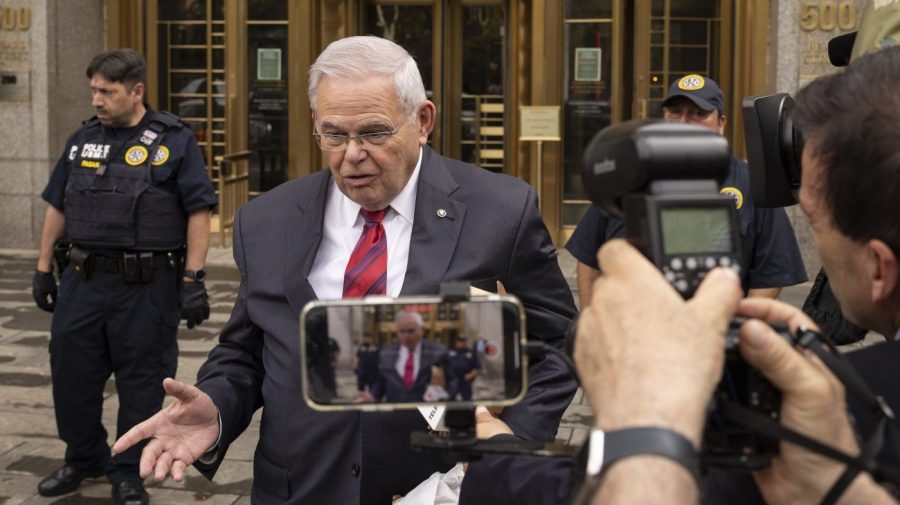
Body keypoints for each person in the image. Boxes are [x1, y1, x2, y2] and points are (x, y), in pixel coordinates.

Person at [112, 35, 577, 504]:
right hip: (298, 489)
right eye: (334, 134)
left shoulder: (500, 211)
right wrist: (216, 407)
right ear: (315, 124)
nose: (352, 154)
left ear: (423, 121)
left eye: (374, 132)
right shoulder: (266, 221)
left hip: (441, 489)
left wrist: (504, 450)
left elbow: (558, 346)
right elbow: (247, 350)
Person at [465, 46, 900, 505]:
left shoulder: (859, 402)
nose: (685, 125)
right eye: (675, 113)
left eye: (813, 218)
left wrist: (645, 426)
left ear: (878, 269)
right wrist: (837, 486)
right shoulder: (827, 419)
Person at [30, 49, 216, 505]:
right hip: (82, 280)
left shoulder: (174, 140)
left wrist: (193, 278)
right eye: (93, 89)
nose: (97, 99)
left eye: (107, 91)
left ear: (136, 91)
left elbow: (198, 210)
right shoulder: (82, 140)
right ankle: (82, 457)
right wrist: (41, 268)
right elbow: (59, 204)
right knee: (71, 376)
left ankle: (127, 471)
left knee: (142, 381)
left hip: (146, 285)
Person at [565, 74, 807, 308]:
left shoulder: (751, 183)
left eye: (698, 114)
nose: (684, 122)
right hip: (630, 334)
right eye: (675, 112)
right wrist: (589, 319)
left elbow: (772, 273)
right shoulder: (628, 176)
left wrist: (735, 329)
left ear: (721, 123)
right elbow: (589, 258)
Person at [368, 311, 448, 402]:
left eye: (411, 331)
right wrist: (371, 395)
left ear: (422, 330)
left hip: (426, 411)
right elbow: (381, 383)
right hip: (396, 412)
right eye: (402, 332)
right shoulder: (386, 354)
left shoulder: (438, 353)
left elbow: (450, 382)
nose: (406, 336)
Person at [446, 335, 480, 400]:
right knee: (450, 399)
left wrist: (470, 375)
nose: (461, 343)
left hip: (465, 380)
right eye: (460, 341)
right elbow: (443, 366)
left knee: (467, 400)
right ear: (456, 342)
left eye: (463, 341)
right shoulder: (449, 351)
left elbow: (476, 367)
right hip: (452, 379)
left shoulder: (470, 353)